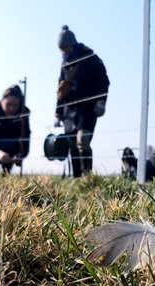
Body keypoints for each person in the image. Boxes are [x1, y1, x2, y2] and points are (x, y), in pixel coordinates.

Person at [54, 25, 110, 177]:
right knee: (72, 146)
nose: (64, 51)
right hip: (69, 112)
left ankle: (88, 178)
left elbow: (103, 80)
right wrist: (57, 113)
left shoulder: (90, 58)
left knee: (82, 141)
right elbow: (61, 91)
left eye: (65, 47)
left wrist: (101, 101)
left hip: (87, 110)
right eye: (61, 48)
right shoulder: (64, 64)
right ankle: (77, 179)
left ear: (71, 45)